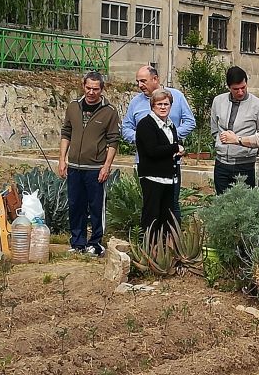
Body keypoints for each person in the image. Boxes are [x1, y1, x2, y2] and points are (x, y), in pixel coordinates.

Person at [58, 71, 121, 256]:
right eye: (88, 88)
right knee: (75, 205)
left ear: (102, 89)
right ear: (83, 86)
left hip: (95, 169)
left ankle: (95, 243)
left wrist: (106, 166)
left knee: (96, 207)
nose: (91, 92)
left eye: (95, 89)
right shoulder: (73, 107)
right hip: (75, 167)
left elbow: (113, 140)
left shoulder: (110, 112)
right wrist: (62, 159)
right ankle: (77, 242)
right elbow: (66, 133)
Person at [122, 65, 196, 221]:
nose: (139, 85)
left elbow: (189, 121)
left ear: (155, 79)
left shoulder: (176, 96)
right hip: (148, 164)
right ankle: (150, 243)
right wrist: (145, 139)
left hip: (171, 164)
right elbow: (126, 128)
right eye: (137, 82)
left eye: (143, 81)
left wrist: (171, 140)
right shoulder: (136, 102)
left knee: (171, 206)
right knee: (151, 207)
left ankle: (172, 242)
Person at [210, 66, 259, 194]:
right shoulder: (218, 101)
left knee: (244, 206)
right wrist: (220, 143)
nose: (240, 92)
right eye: (236, 89)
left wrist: (246, 147)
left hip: (245, 164)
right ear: (229, 87)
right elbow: (214, 129)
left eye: (243, 87)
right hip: (221, 164)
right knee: (221, 204)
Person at [135, 89, 183, 240]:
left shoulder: (171, 125)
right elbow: (152, 150)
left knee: (166, 218)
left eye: (166, 104)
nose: (163, 107)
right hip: (152, 177)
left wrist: (177, 151)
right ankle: (147, 249)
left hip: (169, 178)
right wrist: (175, 148)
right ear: (152, 106)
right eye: (159, 104)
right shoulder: (145, 124)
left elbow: (168, 148)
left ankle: (162, 251)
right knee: (151, 217)